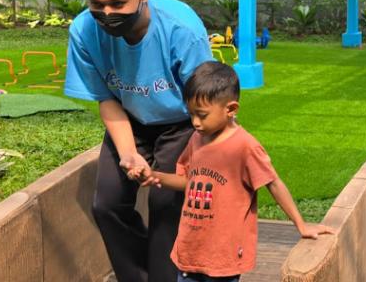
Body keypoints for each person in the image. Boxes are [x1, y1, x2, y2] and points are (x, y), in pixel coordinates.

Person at [64, 0, 213, 282]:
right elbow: (107, 99)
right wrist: (129, 153)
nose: (106, 14)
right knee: (107, 205)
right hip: (129, 118)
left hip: (184, 122)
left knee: (166, 205)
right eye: (96, 4)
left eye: (117, 3)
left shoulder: (181, 29)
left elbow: (207, 101)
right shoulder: (84, 32)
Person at [130, 61, 334, 282]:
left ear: (231, 109)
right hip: (190, 251)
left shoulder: (245, 146)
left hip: (222, 258)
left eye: (202, 115)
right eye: (191, 115)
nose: (195, 123)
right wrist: (156, 176)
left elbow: (273, 183)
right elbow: (189, 181)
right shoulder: (197, 138)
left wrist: (301, 225)